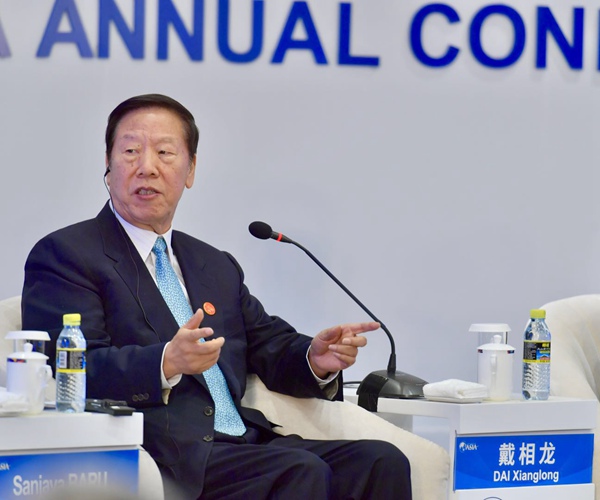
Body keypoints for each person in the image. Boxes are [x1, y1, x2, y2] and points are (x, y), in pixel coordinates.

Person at [22, 94, 412, 499]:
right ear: (108, 163)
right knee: (299, 471)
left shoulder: (213, 264)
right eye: (131, 151)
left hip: (243, 443)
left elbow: (266, 342)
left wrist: (314, 359)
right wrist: (166, 362)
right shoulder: (67, 255)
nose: (147, 167)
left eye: (164, 153)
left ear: (190, 170)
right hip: (163, 455)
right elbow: (69, 369)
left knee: (381, 461)